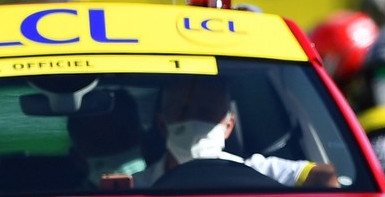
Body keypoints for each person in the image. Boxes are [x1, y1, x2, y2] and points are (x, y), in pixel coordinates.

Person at [135, 76, 338, 189]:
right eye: (183, 111)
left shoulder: (253, 171)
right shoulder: (136, 187)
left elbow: (323, 175)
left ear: (229, 125)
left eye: (206, 112)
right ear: (162, 124)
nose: (194, 120)